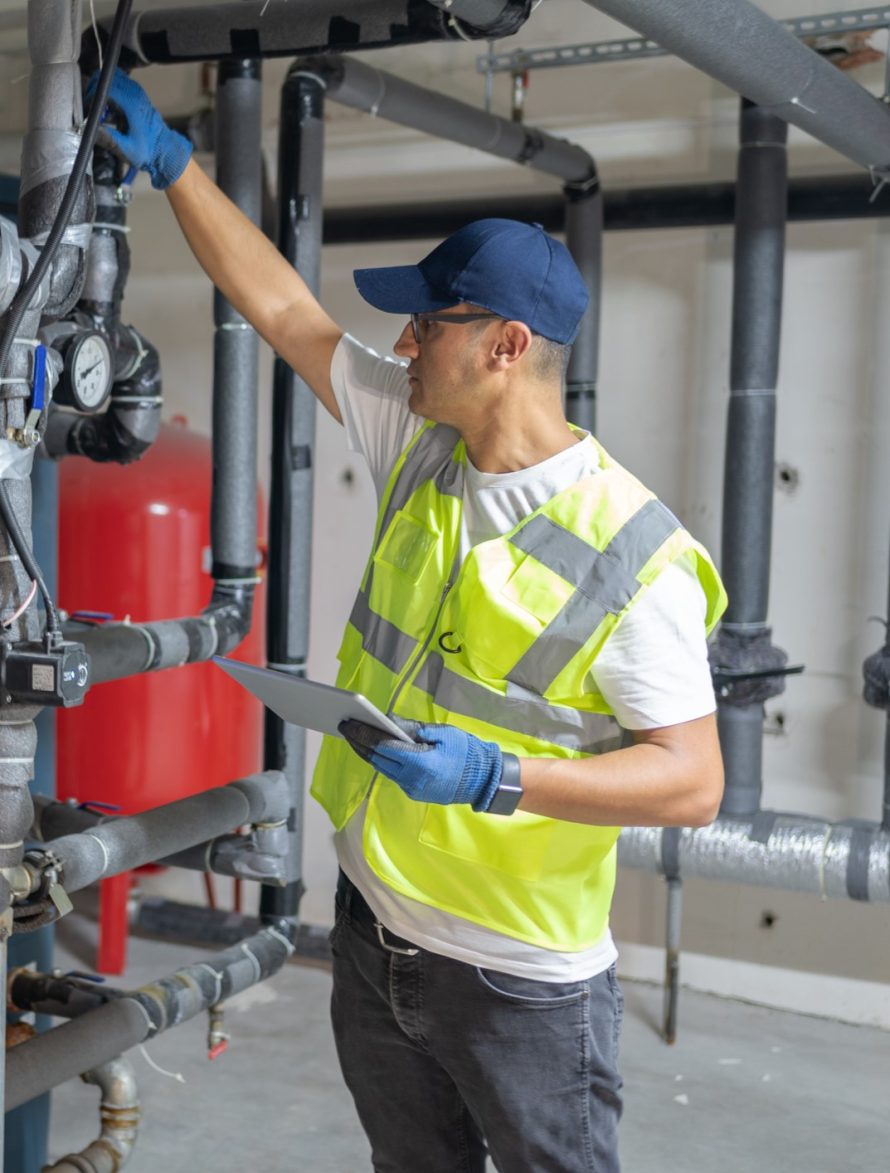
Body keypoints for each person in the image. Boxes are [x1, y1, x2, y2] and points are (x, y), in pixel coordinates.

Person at [95, 69, 727, 1173]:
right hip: (374, 930)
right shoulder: (425, 445)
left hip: (518, 982)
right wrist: (177, 169)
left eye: (428, 323)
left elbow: (691, 782)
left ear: (505, 347)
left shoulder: (632, 554)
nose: (401, 344)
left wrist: (495, 776)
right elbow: (286, 312)